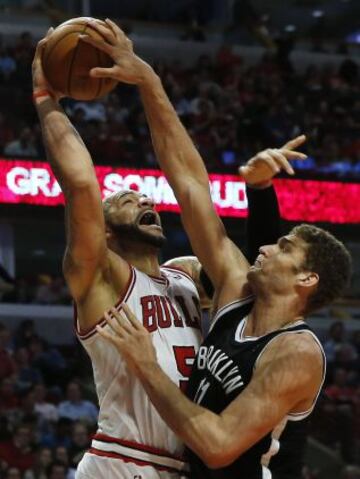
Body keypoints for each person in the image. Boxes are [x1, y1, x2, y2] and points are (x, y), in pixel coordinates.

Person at [83, 19, 352, 479]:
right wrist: (148, 80)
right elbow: (189, 184)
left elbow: (217, 446)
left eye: (283, 247)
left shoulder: (296, 353)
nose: (265, 248)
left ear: (307, 279)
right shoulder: (233, 295)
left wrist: (146, 364)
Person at [31, 28, 305, 479]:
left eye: (145, 197)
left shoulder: (187, 278)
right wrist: (46, 99)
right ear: (103, 227)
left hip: (191, 464)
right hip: (121, 461)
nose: (143, 199)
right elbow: (80, 184)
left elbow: (193, 187)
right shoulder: (100, 276)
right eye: (124, 198)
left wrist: (148, 81)